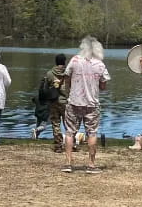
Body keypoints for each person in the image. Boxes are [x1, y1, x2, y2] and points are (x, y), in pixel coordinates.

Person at [62, 36, 110, 174]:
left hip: (74, 101)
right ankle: (91, 164)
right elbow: (103, 86)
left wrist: (69, 91)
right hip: (92, 104)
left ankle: (68, 163)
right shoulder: (100, 64)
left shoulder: (75, 60)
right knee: (92, 133)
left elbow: (67, 77)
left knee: (70, 132)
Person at [32, 54, 68, 153]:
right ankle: (71, 144)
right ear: (64, 62)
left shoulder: (49, 74)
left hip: (54, 101)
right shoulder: (68, 73)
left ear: (56, 62)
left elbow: (44, 88)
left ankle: (58, 146)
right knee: (69, 125)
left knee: (56, 123)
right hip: (66, 102)